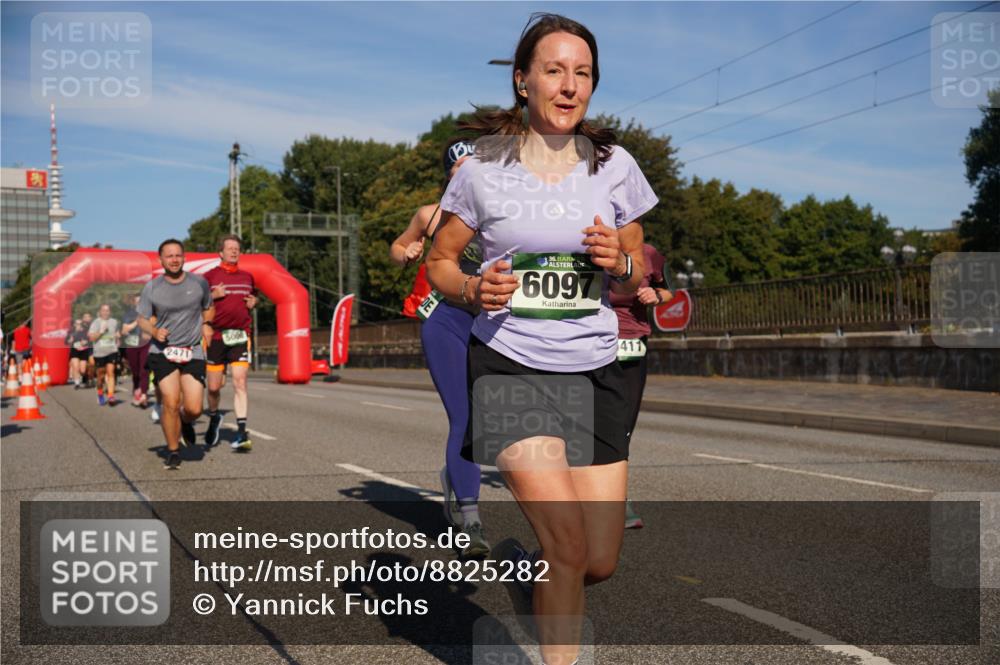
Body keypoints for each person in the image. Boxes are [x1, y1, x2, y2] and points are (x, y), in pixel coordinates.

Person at [426, 14, 657, 665]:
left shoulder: (615, 167)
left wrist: (621, 262)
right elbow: (440, 261)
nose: (569, 85)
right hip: (510, 365)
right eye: (554, 70)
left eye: (582, 73)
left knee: (599, 560)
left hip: (595, 369)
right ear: (523, 80)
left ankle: (530, 580)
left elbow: (638, 264)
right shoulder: (480, 169)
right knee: (567, 544)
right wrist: (471, 290)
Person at [390, 139, 489, 558]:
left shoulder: (503, 210)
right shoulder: (430, 215)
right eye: (458, 166)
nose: (466, 172)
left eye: (474, 164)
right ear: (449, 174)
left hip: (494, 322)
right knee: (465, 418)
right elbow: (396, 248)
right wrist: (406, 252)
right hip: (446, 320)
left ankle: (454, 476)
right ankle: (470, 520)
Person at [137, 239, 214, 471]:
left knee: (194, 408)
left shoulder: (199, 283)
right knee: (170, 401)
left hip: (193, 350)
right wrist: (154, 330)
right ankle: (172, 451)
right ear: (161, 260)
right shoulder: (152, 287)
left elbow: (208, 306)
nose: (174, 259)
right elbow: (141, 318)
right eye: (169, 256)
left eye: (178, 255)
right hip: (163, 351)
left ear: (184, 258)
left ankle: (185, 421)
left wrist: (207, 323)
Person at [611, 243, 672, 529]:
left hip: (634, 345)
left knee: (625, 425)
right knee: (596, 421)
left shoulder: (648, 254)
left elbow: (669, 290)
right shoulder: (590, 248)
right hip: (591, 344)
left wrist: (656, 295)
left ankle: (617, 498)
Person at [202, 235, 257, 451]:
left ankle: (242, 432)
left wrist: (255, 301)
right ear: (220, 252)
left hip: (240, 336)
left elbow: (254, 297)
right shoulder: (209, 277)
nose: (234, 252)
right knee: (214, 387)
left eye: (237, 249)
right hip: (215, 337)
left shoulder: (247, 277)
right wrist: (212, 295)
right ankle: (214, 417)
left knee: (240, 382)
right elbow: (197, 303)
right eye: (230, 248)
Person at [120, 293, 152, 407]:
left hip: (145, 344)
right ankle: (136, 389)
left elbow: (154, 327)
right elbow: (124, 331)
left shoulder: (150, 314)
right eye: (137, 301)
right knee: (135, 371)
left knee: (144, 369)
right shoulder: (128, 314)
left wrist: (149, 331)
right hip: (132, 344)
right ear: (133, 302)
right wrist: (137, 322)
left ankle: (144, 394)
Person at [88, 304, 120, 406]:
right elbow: (92, 338)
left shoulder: (114, 322)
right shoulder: (95, 323)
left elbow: (117, 334)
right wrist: (101, 332)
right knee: (100, 376)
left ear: (110, 312)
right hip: (99, 353)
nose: (106, 312)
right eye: (104, 310)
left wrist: (117, 338)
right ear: (100, 312)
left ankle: (111, 396)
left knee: (111, 372)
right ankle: (100, 394)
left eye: (107, 310)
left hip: (111, 351)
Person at [65, 318, 92, 389]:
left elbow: (90, 341)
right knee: (75, 367)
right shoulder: (70, 332)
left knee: (82, 370)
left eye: (80, 324)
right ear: (74, 325)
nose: (79, 325)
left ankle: (85, 377)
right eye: (77, 324)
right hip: (75, 351)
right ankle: (77, 383)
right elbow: (66, 341)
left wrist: (86, 342)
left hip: (84, 351)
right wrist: (69, 340)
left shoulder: (85, 332)